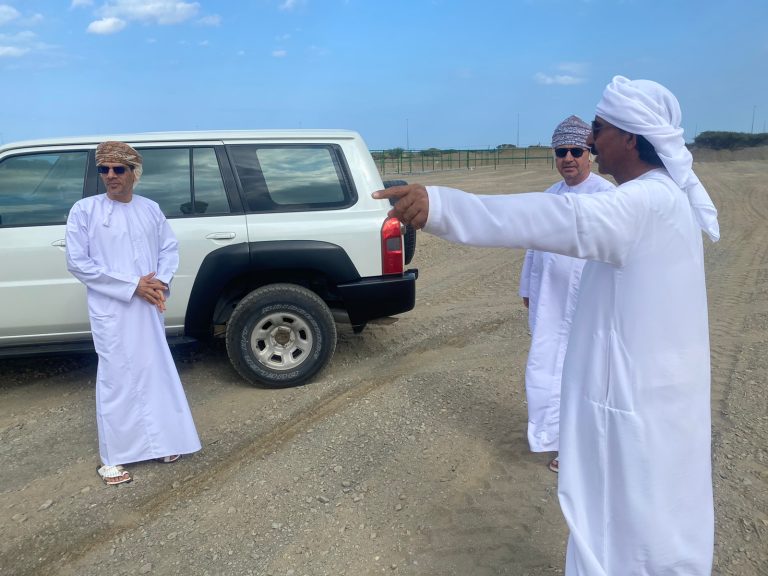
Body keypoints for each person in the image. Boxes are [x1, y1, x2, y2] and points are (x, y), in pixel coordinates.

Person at [374, 76, 719, 575]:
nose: (591, 142)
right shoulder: (661, 197)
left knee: (628, 518)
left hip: (636, 404)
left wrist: (444, 207)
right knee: (647, 511)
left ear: (629, 136)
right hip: (654, 397)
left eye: (599, 129)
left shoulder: (643, 203)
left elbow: (554, 219)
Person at [66, 141, 201, 486]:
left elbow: (169, 249)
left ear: (133, 173)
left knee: (153, 372)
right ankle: (112, 457)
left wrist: (159, 283)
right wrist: (132, 285)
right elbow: (79, 263)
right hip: (112, 308)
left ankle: (161, 443)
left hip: (147, 307)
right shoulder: (85, 211)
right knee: (116, 379)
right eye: (104, 169)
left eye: (118, 169)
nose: (110, 175)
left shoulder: (150, 209)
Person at [518, 116, 614, 473]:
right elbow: (533, 247)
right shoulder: (549, 196)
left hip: (588, 305)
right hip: (549, 301)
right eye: (561, 152)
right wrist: (528, 288)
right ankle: (557, 438)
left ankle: (582, 445)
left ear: (589, 154)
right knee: (547, 371)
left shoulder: (607, 196)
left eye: (576, 150)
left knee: (586, 373)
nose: (568, 158)